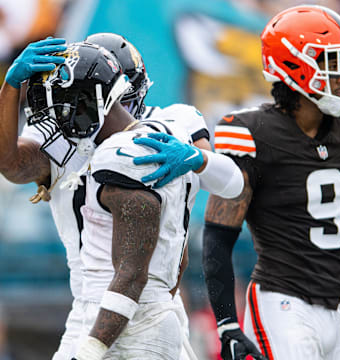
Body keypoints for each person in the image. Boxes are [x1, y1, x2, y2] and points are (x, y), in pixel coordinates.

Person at [0, 36, 243, 359]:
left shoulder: (172, 125)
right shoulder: (66, 136)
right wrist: (9, 88)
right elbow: (11, 164)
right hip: (89, 304)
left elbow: (232, 184)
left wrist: (199, 159)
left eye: (125, 100)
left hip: (142, 308)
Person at [202, 5, 340, 360]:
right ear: (296, 66)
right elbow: (218, 234)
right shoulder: (251, 132)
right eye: (332, 62)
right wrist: (227, 322)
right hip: (284, 302)